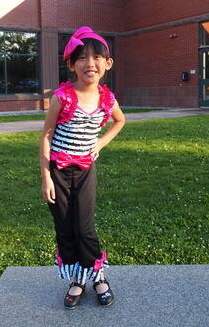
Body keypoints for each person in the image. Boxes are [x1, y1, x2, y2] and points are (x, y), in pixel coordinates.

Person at [40, 26, 125, 309]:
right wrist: (46, 177)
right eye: (82, 58)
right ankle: (77, 279)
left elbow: (120, 121)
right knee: (65, 226)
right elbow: (47, 135)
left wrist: (100, 144)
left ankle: (97, 275)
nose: (90, 63)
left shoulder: (107, 99)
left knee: (84, 226)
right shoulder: (61, 98)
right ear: (71, 64)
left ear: (107, 63)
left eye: (97, 57)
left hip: (86, 169)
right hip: (59, 171)